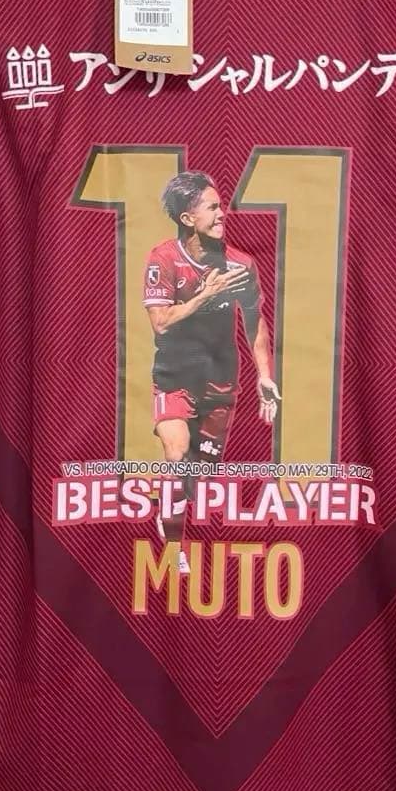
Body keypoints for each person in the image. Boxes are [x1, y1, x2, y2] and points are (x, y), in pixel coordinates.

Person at [142, 170, 280, 570]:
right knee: (177, 452)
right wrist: (206, 296)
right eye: (213, 208)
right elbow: (161, 322)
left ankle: (170, 504)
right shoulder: (163, 258)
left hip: (220, 384)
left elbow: (254, 321)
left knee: (200, 473)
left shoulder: (240, 264)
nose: (223, 214)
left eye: (221, 207)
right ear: (188, 218)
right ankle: (174, 547)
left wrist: (264, 374)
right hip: (174, 379)